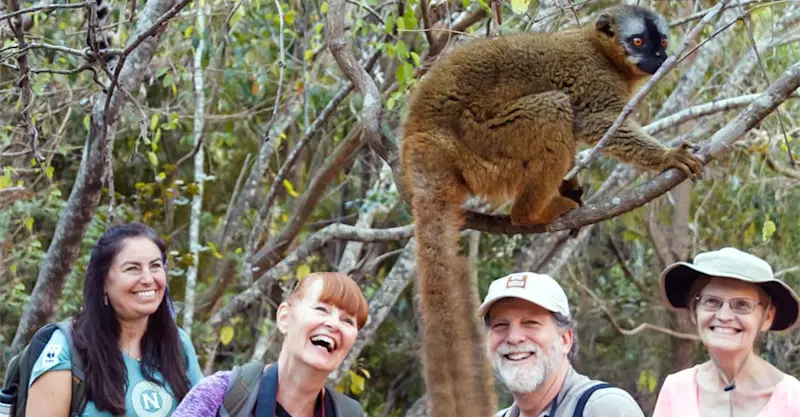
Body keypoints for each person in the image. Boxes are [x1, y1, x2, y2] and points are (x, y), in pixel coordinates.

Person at [25, 222, 204, 416]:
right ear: (103, 281)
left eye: (155, 266)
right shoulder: (67, 350)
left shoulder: (178, 343)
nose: (147, 278)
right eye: (132, 269)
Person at [171, 271, 369, 417]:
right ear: (284, 317)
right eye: (322, 309)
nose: (334, 324)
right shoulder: (222, 394)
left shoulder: (348, 414)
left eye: (347, 321)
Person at [653, 247, 800, 417]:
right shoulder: (676, 389)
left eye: (742, 305)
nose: (724, 316)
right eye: (712, 301)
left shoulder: (793, 399)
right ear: (694, 310)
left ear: (767, 317)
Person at [479, 272, 644, 417]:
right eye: (500, 325)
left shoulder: (603, 409)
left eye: (530, 322)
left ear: (565, 339)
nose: (514, 338)